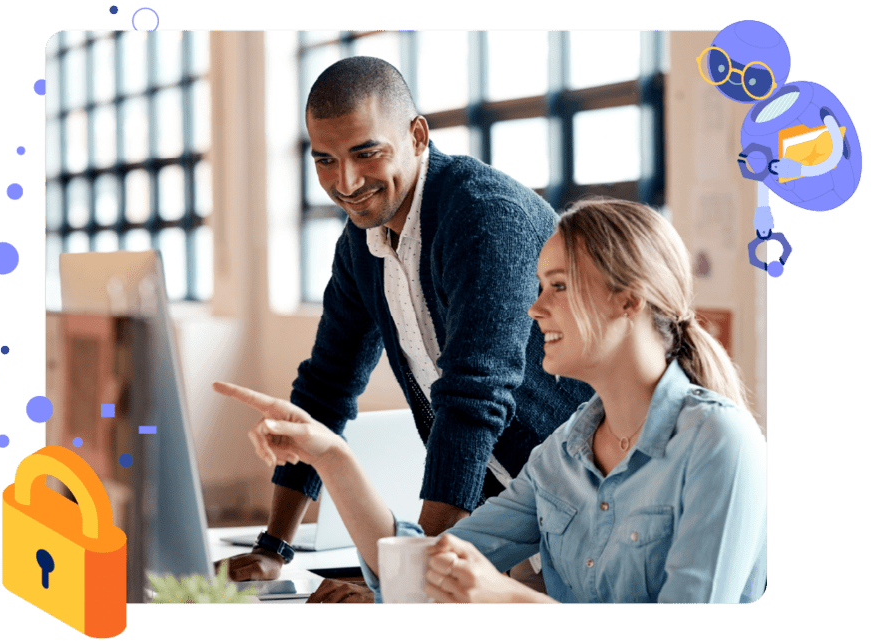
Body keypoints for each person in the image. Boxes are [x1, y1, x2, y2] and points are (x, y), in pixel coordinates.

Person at [224, 198, 768, 603]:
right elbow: (424, 569)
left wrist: (509, 600)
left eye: (558, 286)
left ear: (627, 300)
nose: (535, 309)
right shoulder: (563, 453)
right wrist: (329, 455)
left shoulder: (718, 441)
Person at [213, 56, 593, 601]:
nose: (345, 182)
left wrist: (414, 591)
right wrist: (275, 547)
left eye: (367, 153)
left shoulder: (484, 215)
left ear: (417, 135)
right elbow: (326, 387)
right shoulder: (361, 247)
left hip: (588, 505)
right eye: (325, 160)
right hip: (501, 526)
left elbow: (474, 395)